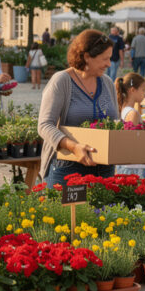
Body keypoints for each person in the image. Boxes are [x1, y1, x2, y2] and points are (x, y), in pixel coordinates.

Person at [38, 29, 118, 188]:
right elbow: (44, 125)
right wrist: (74, 147)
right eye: (105, 59)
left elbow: (117, 123)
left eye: (109, 58)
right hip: (67, 166)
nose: (109, 64)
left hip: (104, 168)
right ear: (87, 57)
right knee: (61, 206)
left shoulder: (108, 83)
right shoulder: (61, 81)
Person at [114, 72, 145, 178]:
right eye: (143, 90)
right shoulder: (133, 113)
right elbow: (132, 141)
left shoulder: (122, 109)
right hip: (133, 167)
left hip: (126, 164)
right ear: (132, 90)